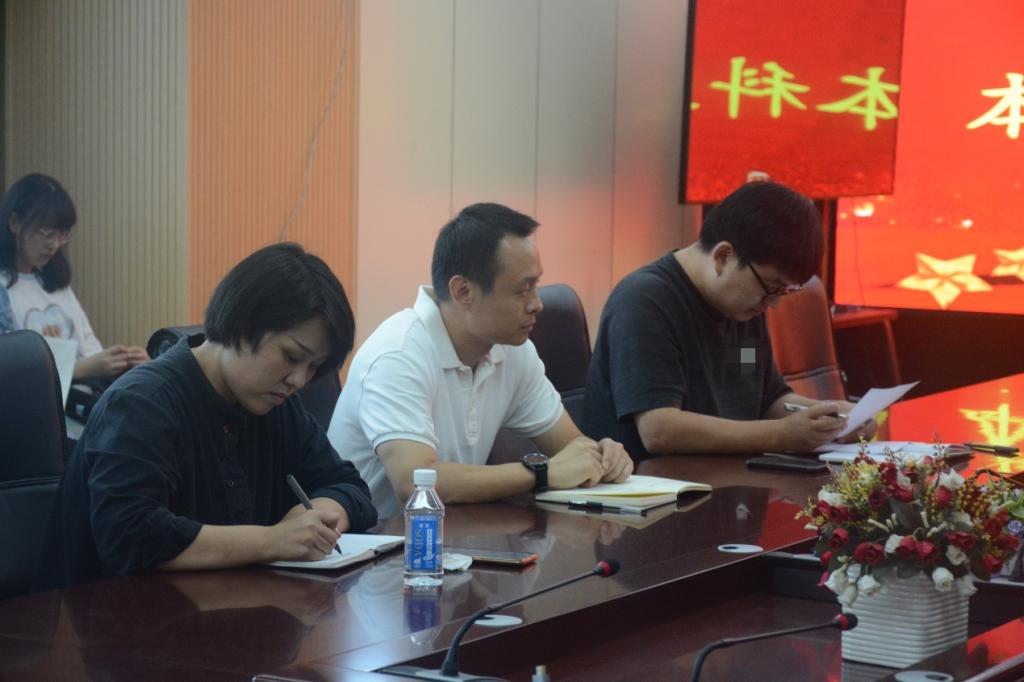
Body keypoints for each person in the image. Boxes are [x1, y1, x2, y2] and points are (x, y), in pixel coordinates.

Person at [36, 243, 377, 590]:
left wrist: (314, 515)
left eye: (314, 367)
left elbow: (350, 486)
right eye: (291, 356)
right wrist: (274, 540)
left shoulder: (279, 407)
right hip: (109, 616)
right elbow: (130, 534)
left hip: (231, 610)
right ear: (242, 323)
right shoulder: (141, 403)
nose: (299, 381)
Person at [328, 203, 633, 519]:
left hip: (457, 535)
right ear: (464, 292)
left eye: (536, 286)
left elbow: (570, 449)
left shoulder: (513, 350)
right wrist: (541, 473)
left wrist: (601, 457)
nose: (537, 305)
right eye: (522, 290)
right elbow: (414, 482)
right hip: (378, 541)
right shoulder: (398, 354)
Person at [583, 181, 877, 462]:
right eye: (771, 288)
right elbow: (659, 429)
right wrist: (781, 435)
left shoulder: (743, 308)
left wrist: (836, 416)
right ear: (723, 256)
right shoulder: (645, 301)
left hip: (728, 479)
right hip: (657, 486)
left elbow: (767, 400)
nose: (773, 304)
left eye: (783, 292)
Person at [0, 173, 148, 379]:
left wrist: (121, 361)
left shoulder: (54, 283)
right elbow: (10, 372)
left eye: (61, 235)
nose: (54, 244)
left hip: (83, 394)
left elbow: (89, 348)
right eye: (46, 233)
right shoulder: (4, 291)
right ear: (15, 223)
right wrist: (79, 370)